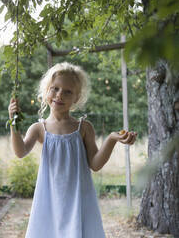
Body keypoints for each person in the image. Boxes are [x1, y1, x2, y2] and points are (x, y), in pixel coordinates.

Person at [8, 62, 137, 238]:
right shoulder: (39, 128)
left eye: (67, 91)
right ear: (47, 91)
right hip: (50, 199)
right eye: (55, 88)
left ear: (76, 98)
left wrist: (112, 139)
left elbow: (95, 164)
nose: (59, 95)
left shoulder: (83, 128)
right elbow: (20, 152)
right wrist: (13, 123)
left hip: (79, 198)